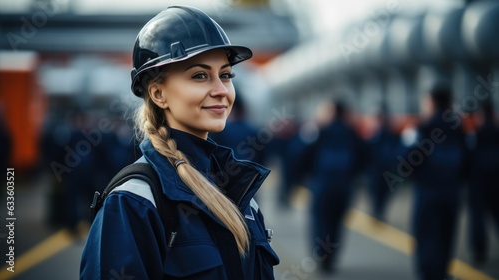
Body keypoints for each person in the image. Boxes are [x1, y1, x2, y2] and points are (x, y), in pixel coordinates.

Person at [80, 6, 279, 279]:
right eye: (200, 75)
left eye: (226, 75)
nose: (221, 90)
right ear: (159, 93)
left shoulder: (240, 194)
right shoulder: (133, 202)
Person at [293, 99, 368, 273]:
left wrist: (303, 177)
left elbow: (301, 155)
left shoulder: (319, 131)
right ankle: (331, 258)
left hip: (322, 185)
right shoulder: (352, 133)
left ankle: (321, 256)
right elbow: (366, 157)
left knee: (320, 221)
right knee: (337, 222)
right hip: (345, 186)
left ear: (331, 112)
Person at [410, 83, 469, 280]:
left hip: (428, 193)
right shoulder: (458, 128)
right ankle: (443, 273)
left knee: (427, 237)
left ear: (432, 103)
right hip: (451, 193)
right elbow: (468, 160)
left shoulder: (423, 127)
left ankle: (429, 274)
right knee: (446, 236)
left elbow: (409, 160)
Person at [467, 100, 499, 264]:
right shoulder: (496, 132)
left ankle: (479, 253)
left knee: (478, 219)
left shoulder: (474, 135)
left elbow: (466, 158)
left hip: (478, 183)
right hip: (496, 183)